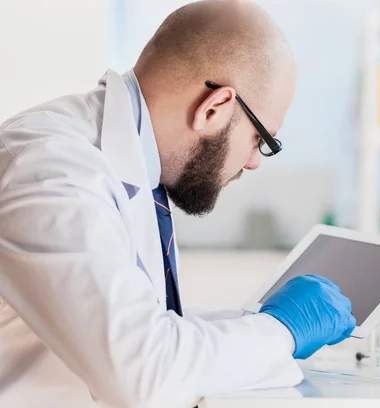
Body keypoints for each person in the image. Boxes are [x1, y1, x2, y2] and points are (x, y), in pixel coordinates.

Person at [0, 1, 356, 407]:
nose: (255, 161)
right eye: (263, 141)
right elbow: (143, 374)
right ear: (215, 108)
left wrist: (258, 325)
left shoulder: (135, 168)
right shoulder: (50, 169)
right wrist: (282, 330)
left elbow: (144, 325)